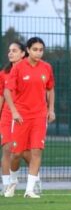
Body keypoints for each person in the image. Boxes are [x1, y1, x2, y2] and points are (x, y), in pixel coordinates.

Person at [3, 37, 55, 198]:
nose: (38, 53)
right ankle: (12, 182)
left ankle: (29, 190)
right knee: (16, 154)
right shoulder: (18, 68)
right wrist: (14, 112)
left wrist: (51, 109)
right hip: (21, 117)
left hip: (39, 116)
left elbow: (50, 89)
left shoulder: (47, 67)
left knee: (36, 151)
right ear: (28, 50)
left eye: (41, 50)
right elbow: (7, 91)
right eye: (35, 49)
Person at [1, 42, 30, 197]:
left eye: (14, 51)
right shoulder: (3, 74)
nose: (10, 53)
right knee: (7, 149)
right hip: (7, 116)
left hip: (25, 115)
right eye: (9, 51)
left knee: (25, 152)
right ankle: (7, 185)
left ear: (23, 53)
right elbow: (1, 96)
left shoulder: (31, 71)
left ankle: (35, 181)